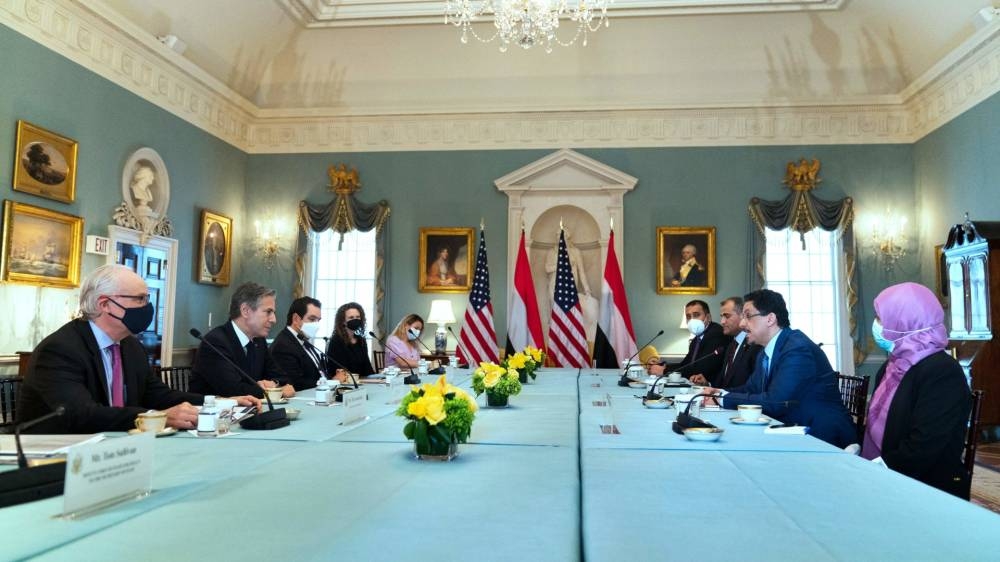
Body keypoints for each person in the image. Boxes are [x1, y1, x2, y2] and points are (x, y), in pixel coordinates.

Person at [17, 264, 259, 433]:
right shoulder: (61, 349)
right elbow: (81, 415)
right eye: (139, 299)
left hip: (118, 449)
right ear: (105, 304)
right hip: (57, 457)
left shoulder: (130, 345)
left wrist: (221, 401)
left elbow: (158, 395)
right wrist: (159, 417)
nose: (147, 307)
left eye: (147, 299)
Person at [862, 282, 972, 499]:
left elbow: (924, 446)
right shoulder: (891, 365)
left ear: (905, 322)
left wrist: (877, 471)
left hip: (926, 488)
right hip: (886, 475)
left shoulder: (942, 372)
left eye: (881, 318)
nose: (876, 324)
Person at [707, 289, 855, 448]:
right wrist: (717, 392)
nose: (742, 324)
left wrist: (722, 398)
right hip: (790, 429)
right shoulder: (765, 351)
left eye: (748, 316)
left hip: (821, 437)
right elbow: (751, 388)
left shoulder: (797, 349)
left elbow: (776, 401)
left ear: (770, 319)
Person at [189, 282, 295, 399]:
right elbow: (233, 390)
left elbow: (283, 377)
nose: (273, 319)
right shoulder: (215, 342)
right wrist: (276, 391)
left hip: (253, 407)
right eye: (268, 312)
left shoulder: (259, 341)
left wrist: (274, 383)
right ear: (245, 311)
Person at [269, 296, 347, 391]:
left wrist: (333, 376)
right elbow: (294, 383)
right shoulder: (283, 345)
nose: (316, 324)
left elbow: (318, 374)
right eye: (312, 319)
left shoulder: (303, 340)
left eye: (318, 320)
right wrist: (332, 382)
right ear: (296, 319)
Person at [649, 300, 729, 382]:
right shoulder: (696, 340)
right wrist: (663, 365)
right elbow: (685, 365)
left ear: (708, 317)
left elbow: (700, 370)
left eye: (696, 315)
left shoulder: (716, 334)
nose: (692, 320)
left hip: (712, 386)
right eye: (688, 316)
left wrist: (664, 371)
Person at [711, 296, 762, 389]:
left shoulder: (755, 345)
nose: (722, 322)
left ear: (742, 316)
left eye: (727, 316)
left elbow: (753, 387)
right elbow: (725, 381)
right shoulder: (731, 345)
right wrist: (708, 384)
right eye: (721, 317)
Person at [326, 302, 375, 377]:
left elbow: (367, 367)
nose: (355, 320)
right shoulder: (336, 341)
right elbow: (338, 370)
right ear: (343, 321)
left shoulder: (361, 340)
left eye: (358, 317)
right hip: (344, 382)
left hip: (363, 381)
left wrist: (377, 378)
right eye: (351, 317)